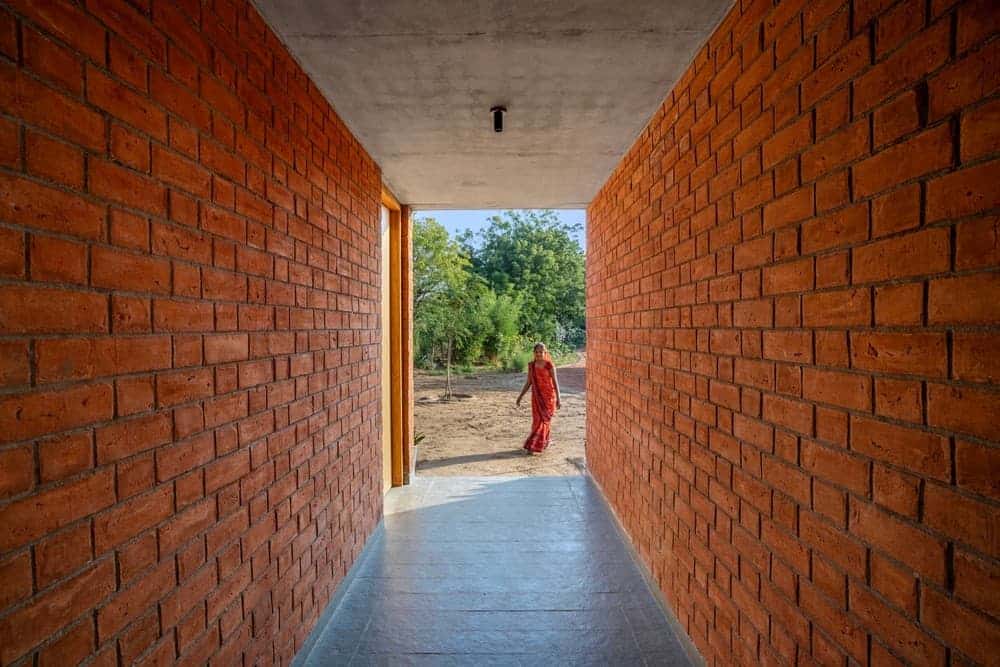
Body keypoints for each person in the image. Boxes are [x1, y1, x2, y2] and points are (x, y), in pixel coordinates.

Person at [516, 342, 561, 455]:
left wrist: (559, 398)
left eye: (541, 352)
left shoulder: (549, 365)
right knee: (537, 421)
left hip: (548, 397)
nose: (539, 354)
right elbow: (529, 382)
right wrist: (520, 396)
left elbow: (555, 382)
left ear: (545, 352)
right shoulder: (531, 365)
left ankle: (535, 444)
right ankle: (539, 442)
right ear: (534, 353)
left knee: (545, 421)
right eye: (537, 352)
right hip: (536, 397)